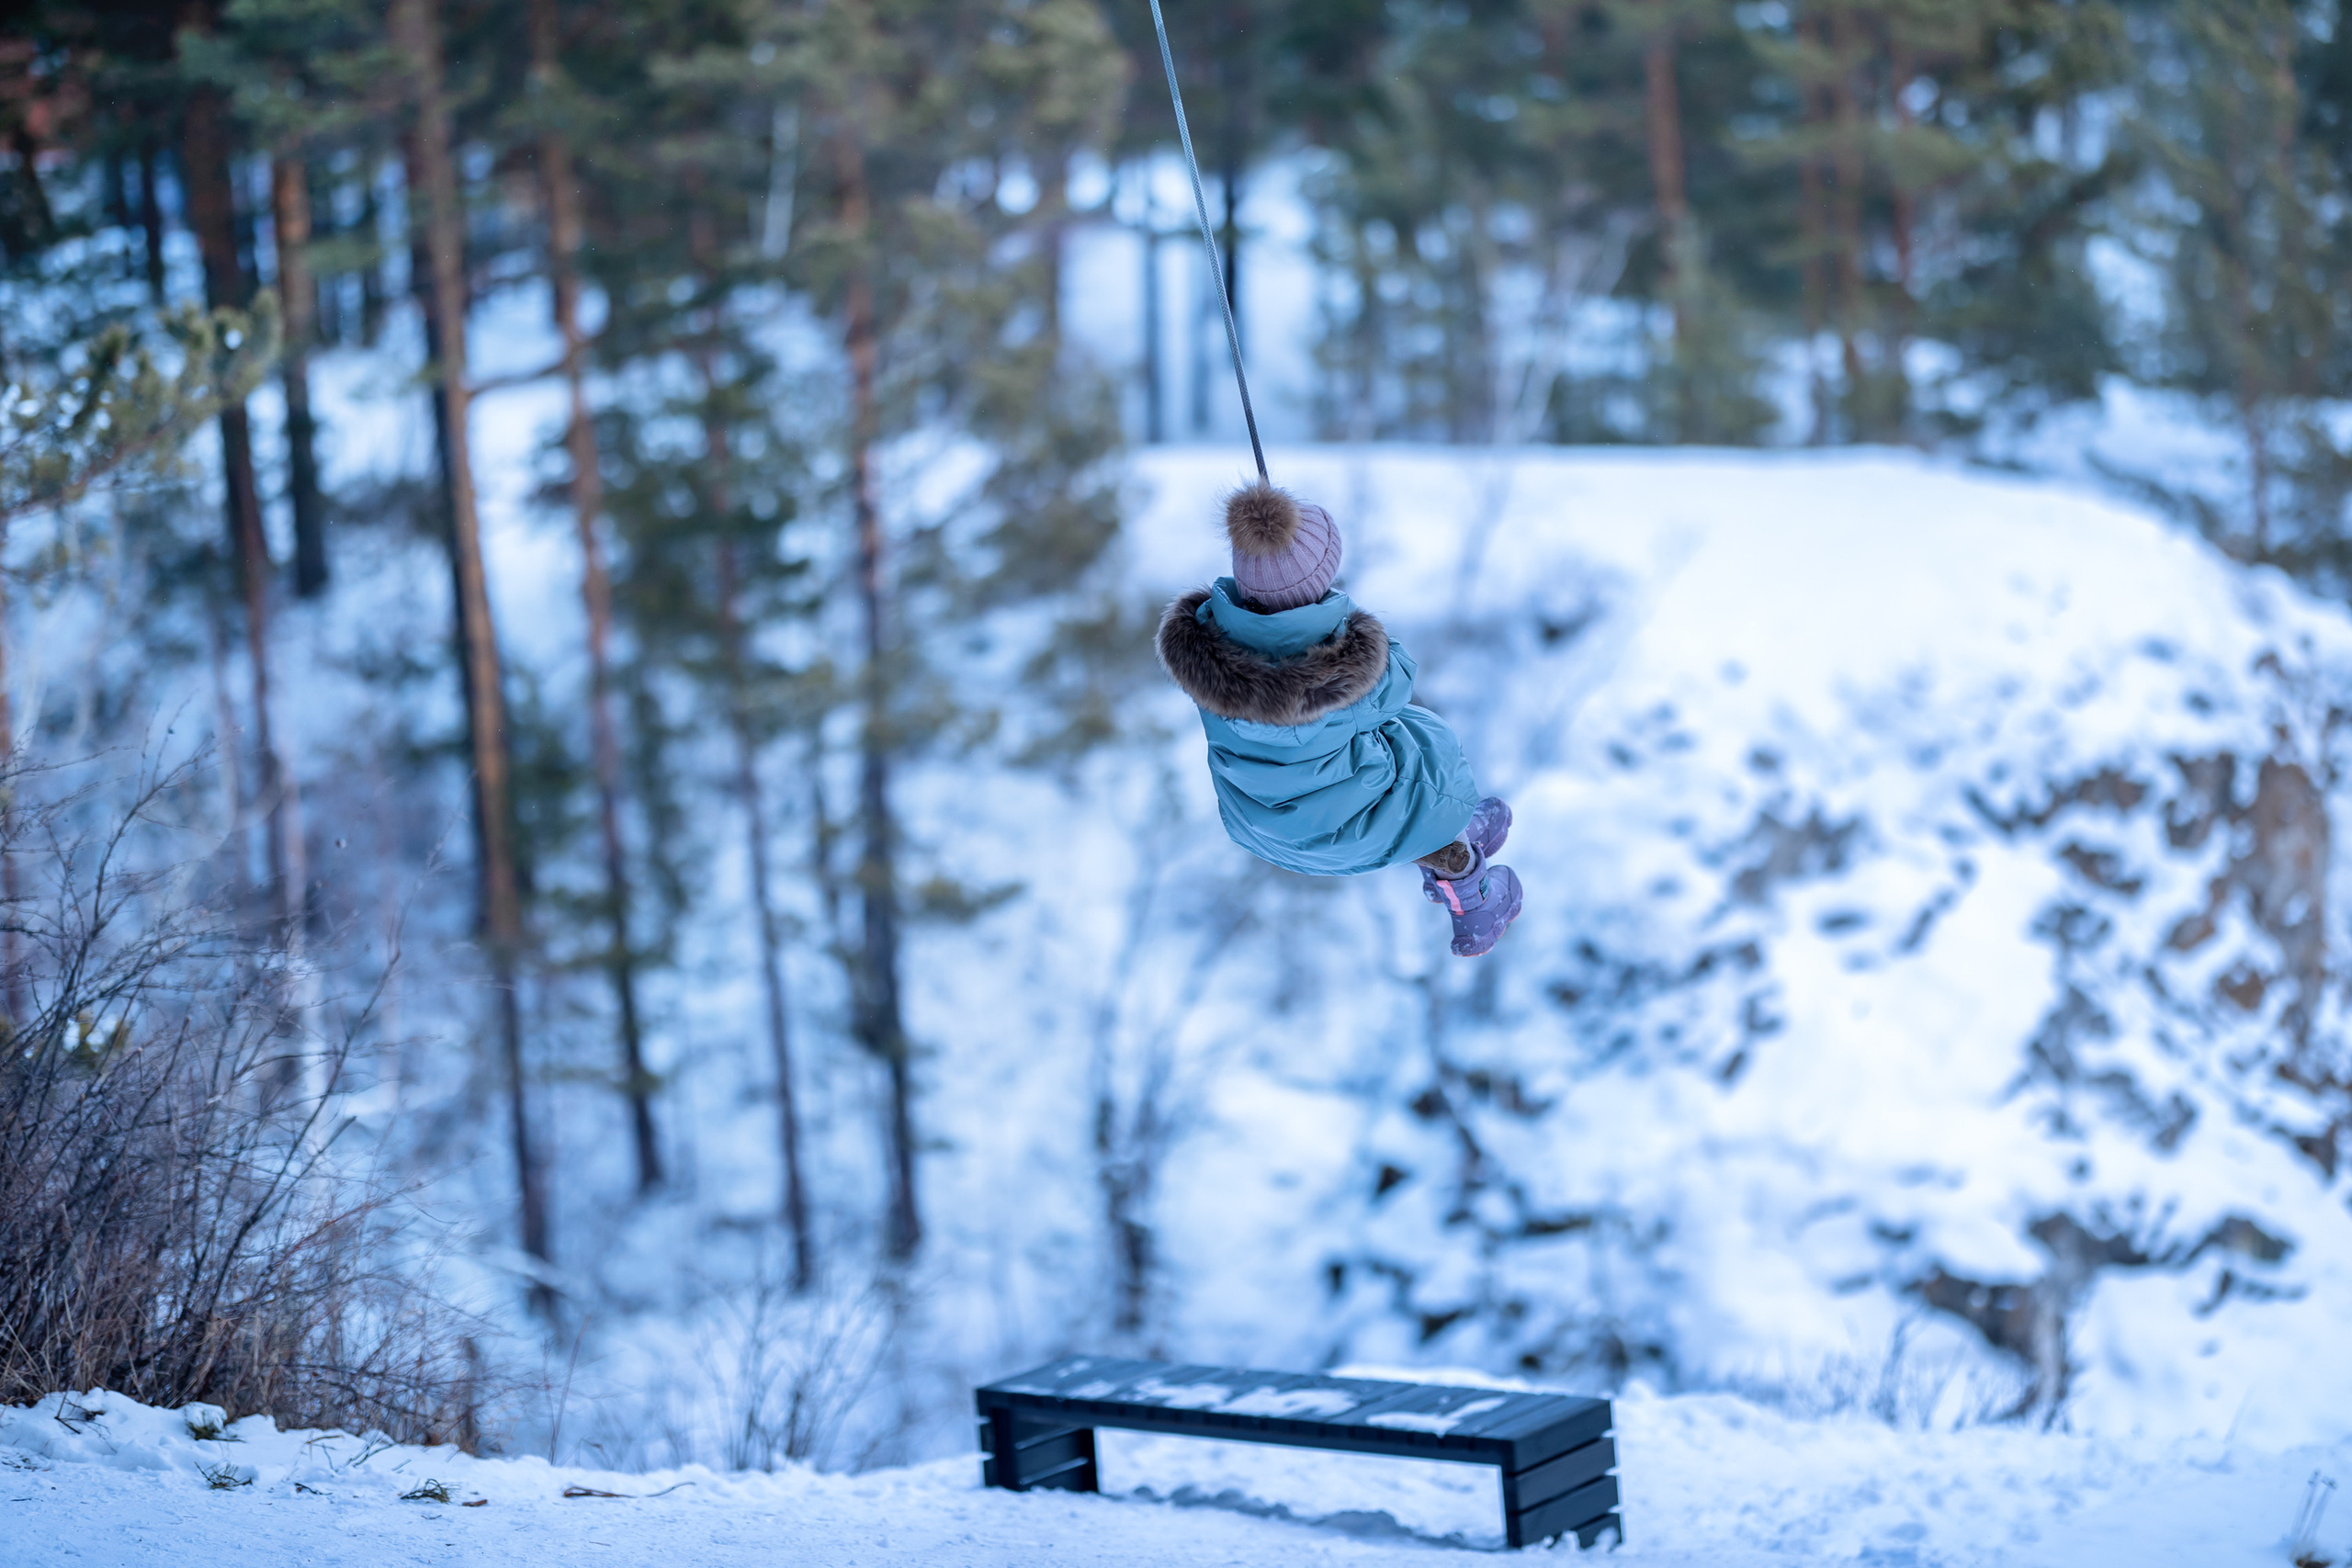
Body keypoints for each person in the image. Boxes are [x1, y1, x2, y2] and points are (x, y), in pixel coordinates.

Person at [1154, 481, 1523, 957]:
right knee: (1425, 739)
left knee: (1350, 752)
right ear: (1322, 579)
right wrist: (1360, 636)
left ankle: (1447, 829)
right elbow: (1400, 681)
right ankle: (1470, 891)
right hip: (1345, 830)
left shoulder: (1205, 649)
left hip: (1258, 825)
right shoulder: (1343, 667)